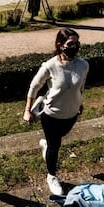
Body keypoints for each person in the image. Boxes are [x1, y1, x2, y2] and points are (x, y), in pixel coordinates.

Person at [23, 28, 89, 196]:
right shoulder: (50, 66)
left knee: (58, 139)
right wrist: (27, 110)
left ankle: (46, 145)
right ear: (60, 45)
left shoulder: (83, 65)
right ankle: (51, 176)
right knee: (55, 146)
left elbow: (80, 86)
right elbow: (34, 86)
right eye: (70, 43)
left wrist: (79, 103)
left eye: (76, 43)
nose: (74, 46)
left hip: (72, 113)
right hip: (51, 115)